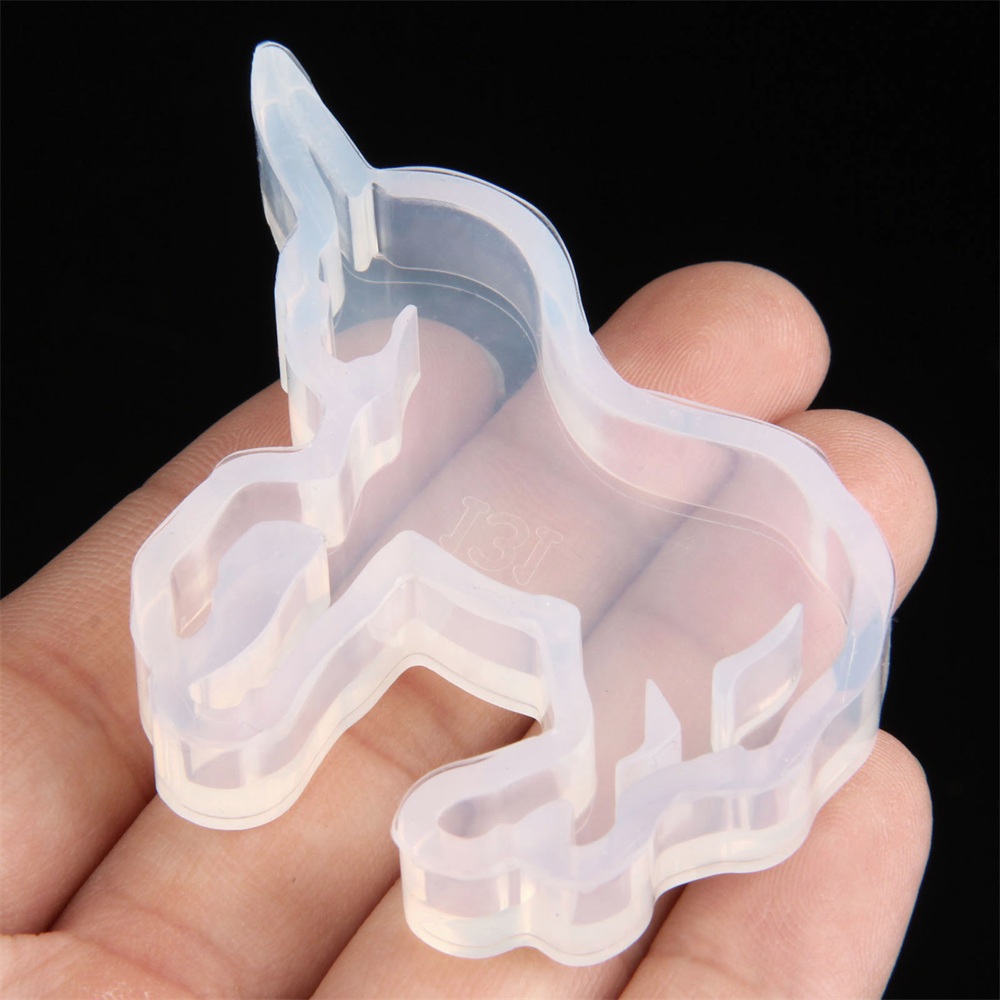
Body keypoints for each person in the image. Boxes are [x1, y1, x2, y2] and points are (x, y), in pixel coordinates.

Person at [0, 262, 935, 997]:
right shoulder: (367, 459)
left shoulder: (765, 535)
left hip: (760, 571)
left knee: (624, 726)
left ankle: (581, 833)